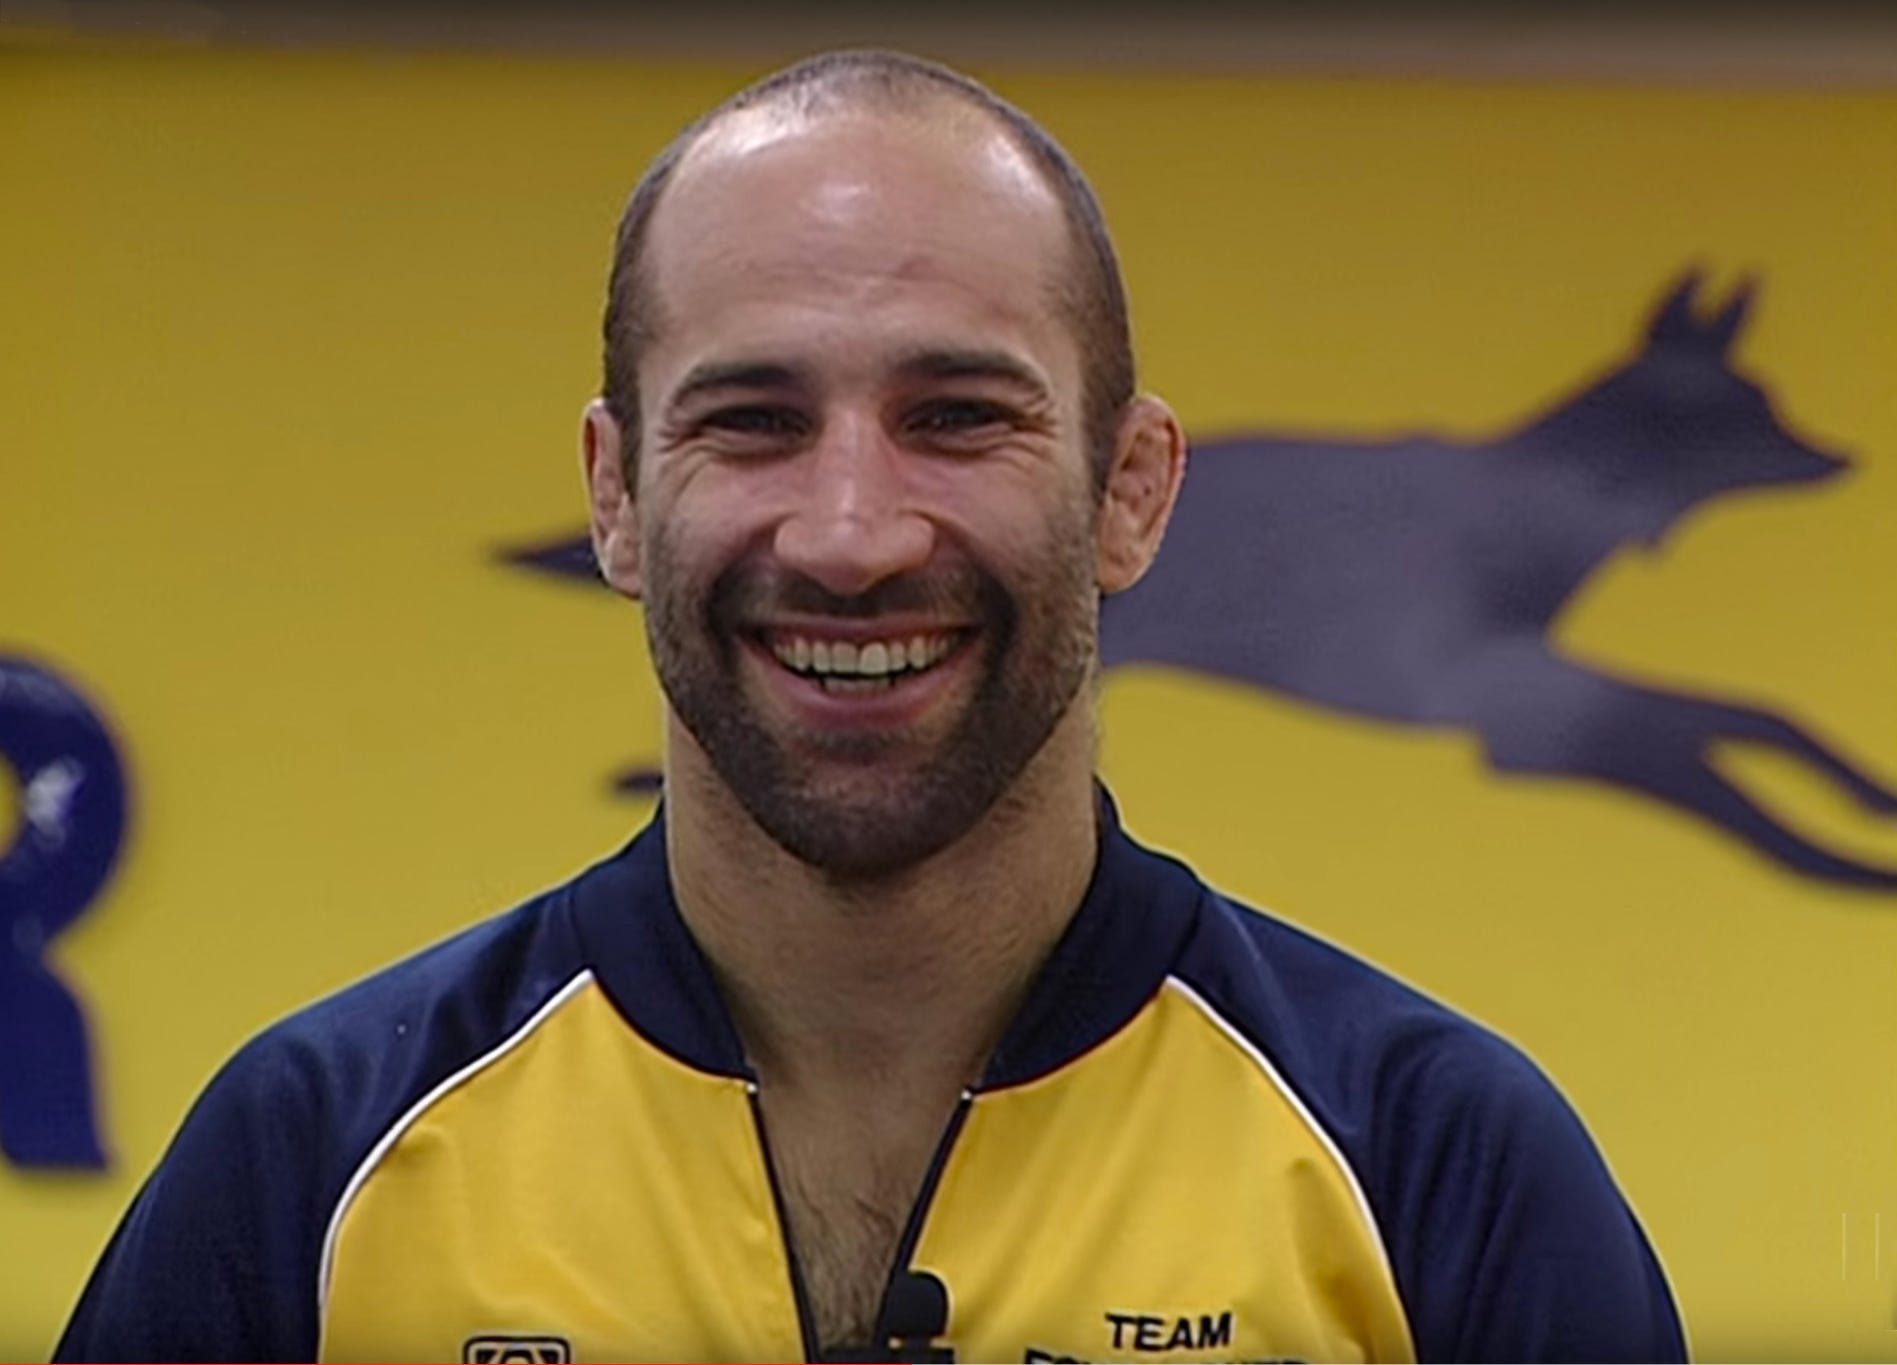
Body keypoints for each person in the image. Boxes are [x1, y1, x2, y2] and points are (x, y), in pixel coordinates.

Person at [55, 48, 1687, 1364]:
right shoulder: (310, 1164)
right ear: (616, 496)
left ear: (1129, 490)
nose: (850, 534)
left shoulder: (1433, 1167)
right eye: (753, 420)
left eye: (957, 416)